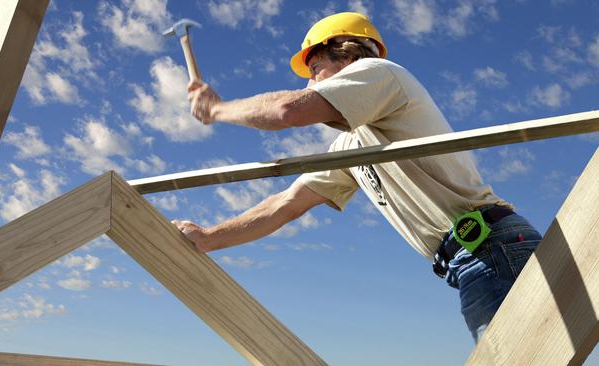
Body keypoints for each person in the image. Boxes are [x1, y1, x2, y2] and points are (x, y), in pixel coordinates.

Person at [173, 12, 542, 343]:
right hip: (472, 258)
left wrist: (218, 108)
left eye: (315, 68)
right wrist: (207, 239)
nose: (309, 85)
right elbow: (285, 205)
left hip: (491, 248)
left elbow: (286, 111)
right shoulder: (352, 145)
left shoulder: (380, 73)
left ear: (348, 55)